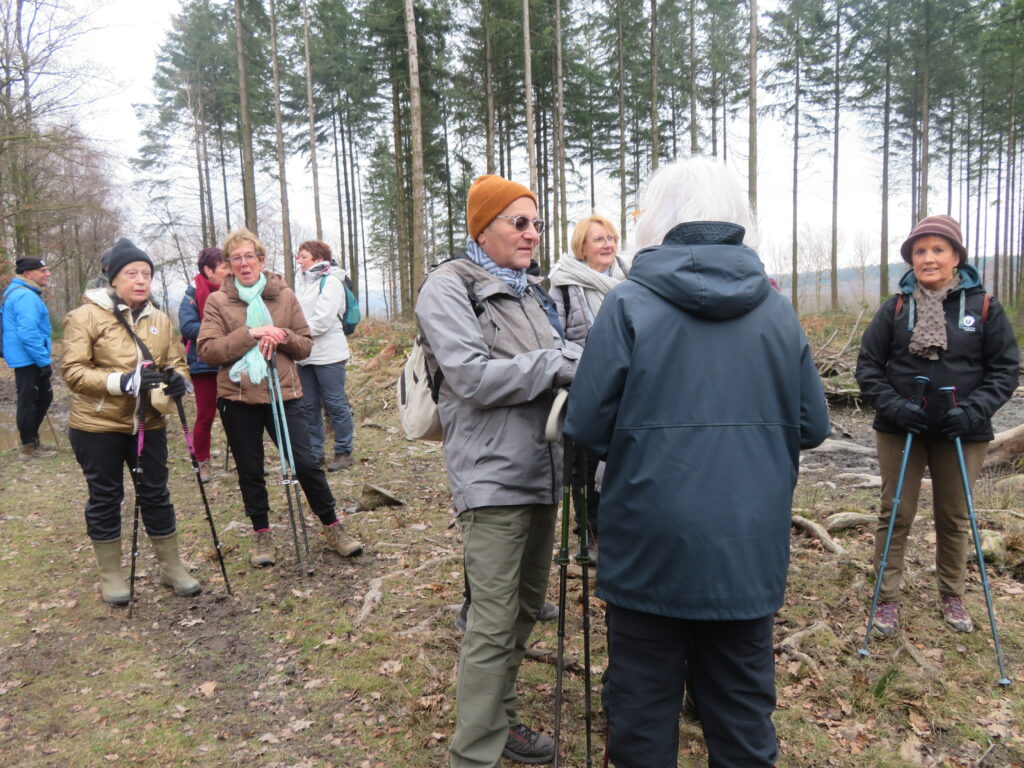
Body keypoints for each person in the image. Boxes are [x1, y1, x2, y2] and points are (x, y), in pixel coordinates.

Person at [564, 157, 830, 768]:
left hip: (648, 543)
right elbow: (813, 426)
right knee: (742, 716)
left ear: (657, 219)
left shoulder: (627, 304)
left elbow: (585, 425)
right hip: (747, 547)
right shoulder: (775, 310)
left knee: (641, 713)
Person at [416, 174, 580, 767]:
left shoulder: (534, 292)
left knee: (524, 609)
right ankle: (472, 755)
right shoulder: (448, 286)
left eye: (536, 223)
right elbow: (471, 377)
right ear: (482, 228)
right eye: (519, 222)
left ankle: (500, 721)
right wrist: (558, 362)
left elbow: (564, 359)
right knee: (490, 620)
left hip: (543, 470)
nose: (532, 233)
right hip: (490, 476)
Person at [855, 214, 1018, 636]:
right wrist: (894, 407)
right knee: (896, 512)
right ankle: (886, 598)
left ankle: (952, 594)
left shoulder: (984, 307)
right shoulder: (895, 307)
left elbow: (1004, 370)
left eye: (938, 250)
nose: (928, 258)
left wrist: (973, 411)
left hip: (962, 429)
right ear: (912, 259)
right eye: (920, 251)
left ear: (956, 257)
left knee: (954, 515)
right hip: (900, 428)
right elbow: (869, 366)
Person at [197, 228, 362, 567]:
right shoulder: (218, 301)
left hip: (283, 393)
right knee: (250, 470)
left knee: (305, 463)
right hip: (237, 398)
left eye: (250, 256)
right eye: (236, 258)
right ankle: (262, 534)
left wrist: (281, 335)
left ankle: (332, 526)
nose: (244, 263)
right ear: (228, 264)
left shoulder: (284, 295)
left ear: (261, 260)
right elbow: (208, 351)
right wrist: (251, 333)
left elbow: (305, 346)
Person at [61, 238, 200, 605]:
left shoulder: (160, 318)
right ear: (113, 278)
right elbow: (73, 371)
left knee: (155, 492)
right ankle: (111, 575)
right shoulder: (85, 316)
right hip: (97, 425)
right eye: (131, 273)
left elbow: (176, 362)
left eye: (146, 274)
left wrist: (178, 381)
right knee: (106, 495)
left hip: (148, 423)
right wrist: (122, 381)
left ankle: (171, 567)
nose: (140, 280)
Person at [548, 215, 629, 545]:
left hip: (627, 387)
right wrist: (589, 365)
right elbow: (553, 337)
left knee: (623, 459)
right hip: (585, 387)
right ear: (582, 247)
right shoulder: (564, 285)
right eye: (599, 239)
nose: (608, 244)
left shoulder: (632, 282)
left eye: (611, 238)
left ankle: (620, 530)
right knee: (584, 463)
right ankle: (591, 533)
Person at [294, 240, 355, 472]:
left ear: (318, 259)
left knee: (335, 403)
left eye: (303, 256)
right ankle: (315, 453)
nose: (299, 260)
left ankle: (344, 451)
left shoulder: (331, 281)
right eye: (298, 256)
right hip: (305, 354)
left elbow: (324, 319)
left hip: (329, 354)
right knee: (308, 406)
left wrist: (296, 333)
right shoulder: (301, 281)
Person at [178, 247, 231, 482]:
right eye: (224, 267)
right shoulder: (192, 293)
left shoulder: (233, 291)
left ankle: (245, 458)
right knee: (206, 415)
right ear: (208, 270)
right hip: (203, 362)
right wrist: (219, 328)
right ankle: (203, 462)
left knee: (237, 414)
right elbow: (187, 327)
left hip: (231, 359)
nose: (229, 271)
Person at [2, 257, 56, 459]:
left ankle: (32, 441)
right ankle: (28, 447)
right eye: (42, 270)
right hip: (28, 357)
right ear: (27, 273)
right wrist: (44, 361)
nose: (47, 274)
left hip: (26, 355)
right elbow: (28, 332)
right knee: (29, 401)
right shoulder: (25, 296)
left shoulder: (21, 292)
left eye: (47, 270)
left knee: (41, 397)